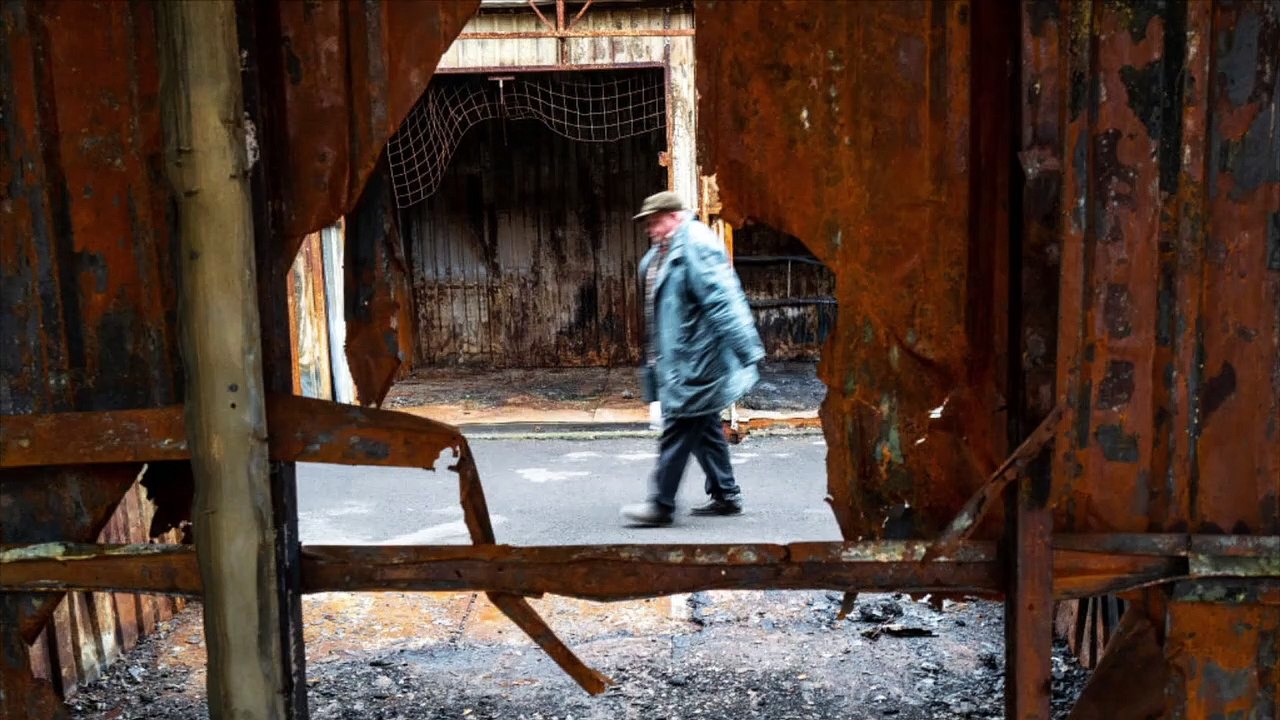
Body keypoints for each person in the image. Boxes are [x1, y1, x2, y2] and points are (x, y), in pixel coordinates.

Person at [621, 191, 765, 527]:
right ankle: (726, 494)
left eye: (655, 221)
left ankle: (660, 504)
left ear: (673, 216)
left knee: (680, 426)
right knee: (704, 428)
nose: (650, 228)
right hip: (680, 358)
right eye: (648, 224)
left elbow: (723, 300)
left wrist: (749, 349)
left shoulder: (697, 244)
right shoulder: (665, 249)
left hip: (697, 362)